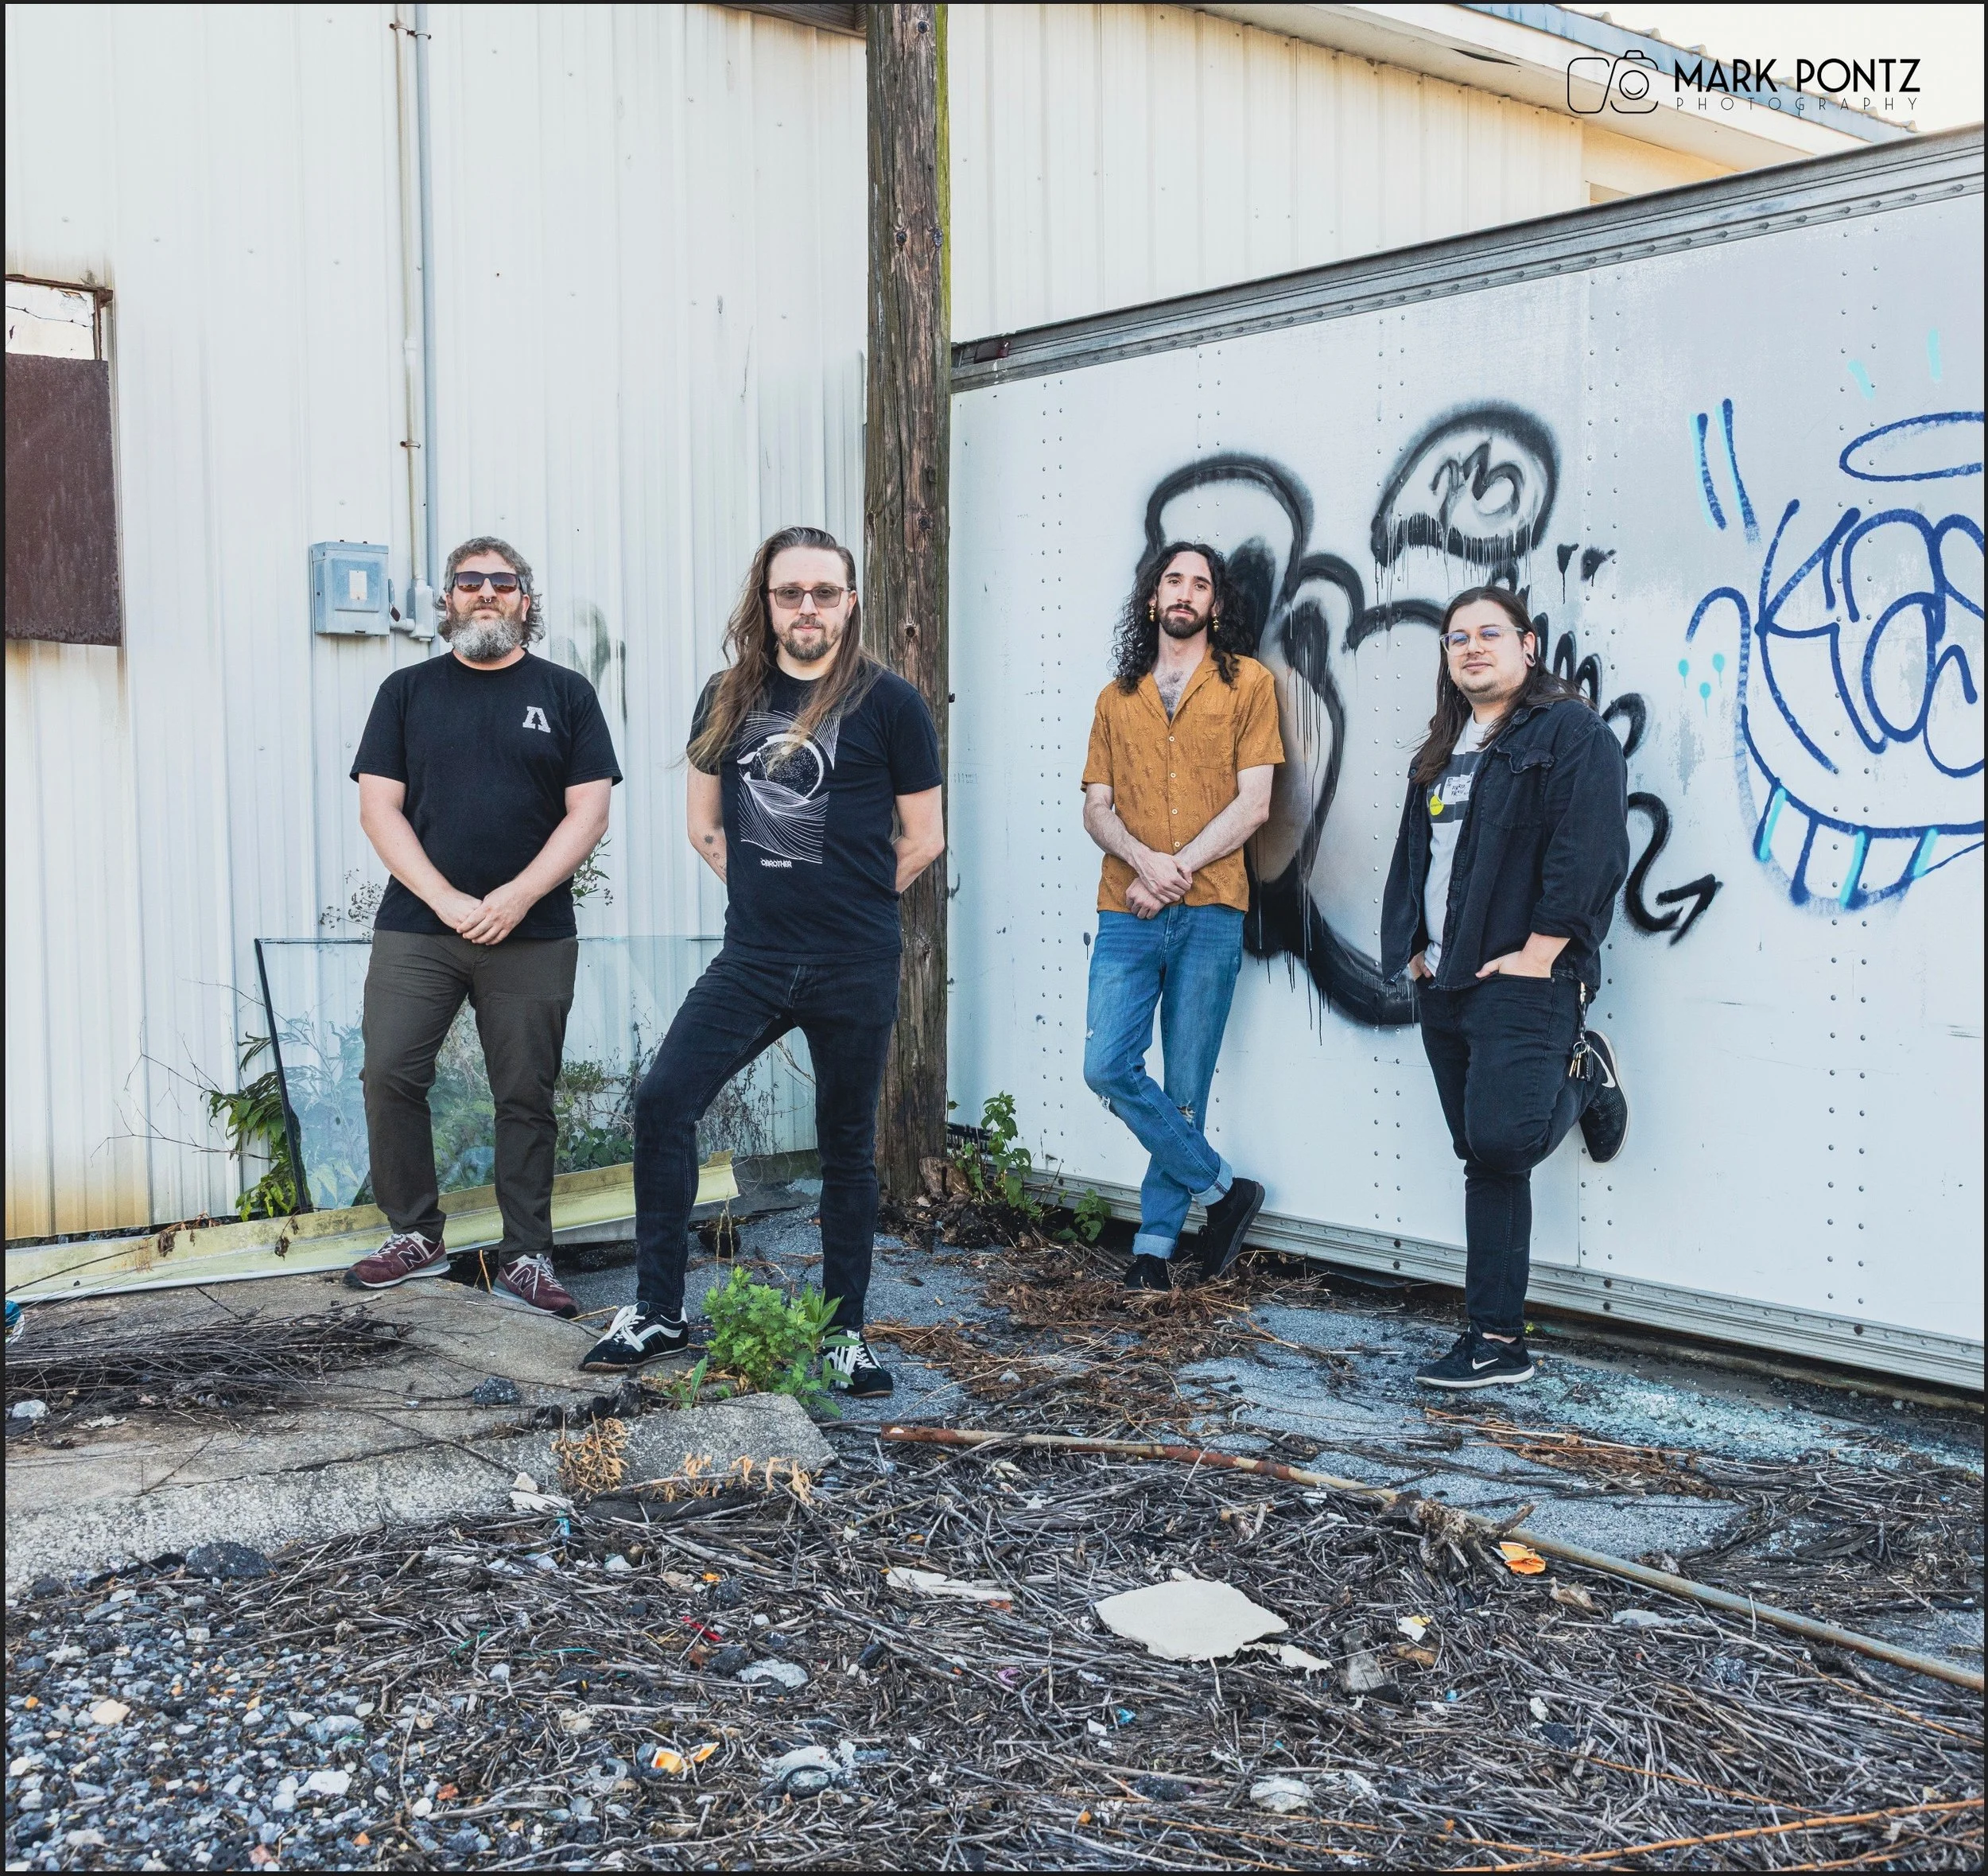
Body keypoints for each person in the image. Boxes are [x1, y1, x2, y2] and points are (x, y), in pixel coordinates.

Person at [580, 526, 944, 1392]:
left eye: (825, 591)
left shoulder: (891, 704)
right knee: (665, 1099)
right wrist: (763, 888)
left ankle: (843, 1333)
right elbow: (705, 825)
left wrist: (848, 897)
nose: (807, 608)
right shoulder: (727, 696)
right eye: (791, 593)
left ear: (850, 602)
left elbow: (922, 838)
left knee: (847, 1145)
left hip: (855, 959)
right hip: (753, 956)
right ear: (766, 602)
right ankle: (660, 1309)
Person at [344, 537, 619, 1317]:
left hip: (530, 932)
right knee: (390, 1073)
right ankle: (415, 1234)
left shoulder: (566, 695)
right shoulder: (406, 692)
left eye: (504, 583)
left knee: (525, 1094)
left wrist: (514, 897)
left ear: (526, 601)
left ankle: (526, 1254)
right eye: (471, 582)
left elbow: (588, 812)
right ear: (449, 599)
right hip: (419, 927)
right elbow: (379, 808)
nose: (487, 593)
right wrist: (446, 899)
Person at [1381, 585, 1632, 1389]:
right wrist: (1412, 949)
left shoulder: (1568, 732)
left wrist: (1542, 950)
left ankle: (1584, 1074)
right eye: (1457, 638)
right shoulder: (1441, 748)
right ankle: (1495, 1339)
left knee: (1503, 1139)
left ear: (1528, 647)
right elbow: (1418, 861)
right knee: (1482, 1156)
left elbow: (1587, 847)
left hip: (1526, 978)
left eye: (1489, 633)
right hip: (1446, 978)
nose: (1471, 648)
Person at [1081, 542, 1284, 1291]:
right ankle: (1225, 1190)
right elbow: (1096, 808)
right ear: (1152, 598)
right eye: (1174, 580)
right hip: (1126, 908)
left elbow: (1255, 803)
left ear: (1216, 606)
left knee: (1186, 1079)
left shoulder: (1249, 686)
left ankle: (1156, 1244)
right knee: (1107, 1065)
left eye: (1201, 584)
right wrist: (1143, 861)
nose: (1186, 593)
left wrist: (1173, 871)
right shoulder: (1116, 696)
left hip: (1209, 909)